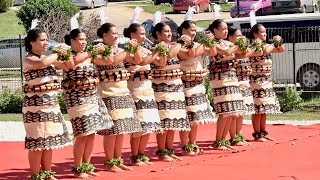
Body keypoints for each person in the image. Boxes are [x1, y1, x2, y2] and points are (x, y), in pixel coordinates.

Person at [63, 28, 113, 179]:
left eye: (85, 39)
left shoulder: (89, 56)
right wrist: (92, 52)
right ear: (72, 41)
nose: (84, 42)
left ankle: (86, 165)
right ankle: (78, 167)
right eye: (80, 39)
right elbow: (72, 64)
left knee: (91, 134)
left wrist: (106, 49)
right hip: (76, 99)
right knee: (82, 134)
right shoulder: (66, 55)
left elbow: (109, 62)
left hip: (92, 97)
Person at [22, 29, 72, 180]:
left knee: (48, 141)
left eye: (47, 40)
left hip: (51, 106)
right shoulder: (29, 59)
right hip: (35, 108)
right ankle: (36, 175)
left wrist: (67, 53)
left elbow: (68, 66)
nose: (46, 43)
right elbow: (43, 63)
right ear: (32, 42)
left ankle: (47, 173)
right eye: (42, 40)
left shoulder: (47, 57)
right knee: (38, 142)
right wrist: (58, 52)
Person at [95, 23, 143, 172]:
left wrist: (135, 47)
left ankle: (117, 159)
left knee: (121, 129)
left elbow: (137, 60)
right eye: (113, 33)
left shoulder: (120, 50)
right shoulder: (99, 49)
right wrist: (127, 49)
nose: (116, 36)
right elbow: (113, 61)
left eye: (117, 33)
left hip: (122, 91)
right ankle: (109, 161)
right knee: (112, 130)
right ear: (105, 35)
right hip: (108, 93)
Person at [151, 22, 194, 161]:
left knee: (173, 120)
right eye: (166, 31)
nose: (169, 34)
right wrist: (179, 43)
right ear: (158, 34)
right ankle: (162, 151)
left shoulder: (174, 45)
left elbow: (189, 54)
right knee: (165, 120)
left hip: (175, 86)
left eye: (170, 31)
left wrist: (190, 43)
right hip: (162, 88)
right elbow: (166, 58)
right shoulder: (155, 48)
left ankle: (169, 150)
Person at [123, 23, 164, 166]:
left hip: (147, 88)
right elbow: (140, 61)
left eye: (144, 33)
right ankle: (134, 156)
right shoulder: (127, 50)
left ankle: (141, 153)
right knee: (139, 125)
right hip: (134, 89)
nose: (144, 36)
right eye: (140, 34)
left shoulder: (146, 49)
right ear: (132, 35)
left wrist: (161, 50)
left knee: (148, 123)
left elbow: (161, 62)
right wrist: (153, 53)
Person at [177, 20, 216, 155]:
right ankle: (185, 146)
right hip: (185, 85)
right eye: (191, 30)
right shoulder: (177, 45)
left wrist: (210, 42)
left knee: (195, 118)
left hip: (197, 84)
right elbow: (191, 54)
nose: (194, 33)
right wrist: (204, 43)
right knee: (186, 117)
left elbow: (212, 52)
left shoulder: (198, 44)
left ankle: (193, 143)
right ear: (183, 31)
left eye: (195, 30)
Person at [207, 19, 245, 150]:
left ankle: (224, 140)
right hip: (220, 78)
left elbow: (241, 53)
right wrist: (237, 45)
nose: (225, 31)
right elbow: (227, 53)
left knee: (231, 110)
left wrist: (242, 45)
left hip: (231, 76)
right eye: (222, 29)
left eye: (226, 29)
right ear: (215, 30)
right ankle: (219, 140)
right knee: (224, 110)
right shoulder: (211, 43)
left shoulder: (227, 43)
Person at [248, 23, 285, 142]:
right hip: (256, 81)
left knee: (264, 109)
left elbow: (281, 50)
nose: (265, 34)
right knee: (258, 109)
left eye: (265, 32)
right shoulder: (254, 46)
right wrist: (273, 43)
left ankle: (263, 132)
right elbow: (264, 51)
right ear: (255, 34)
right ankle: (257, 133)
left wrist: (279, 41)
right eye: (262, 32)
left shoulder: (266, 45)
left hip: (266, 80)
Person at [227, 26, 261, 146]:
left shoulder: (241, 48)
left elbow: (248, 53)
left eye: (242, 35)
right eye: (238, 36)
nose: (241, 37)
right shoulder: (230, 48)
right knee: (235, 112)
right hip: (236, 81)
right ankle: (234, 137)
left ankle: (239, 135)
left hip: (245, 81)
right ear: (231, 37)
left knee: (241, 111)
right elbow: (241, 55)